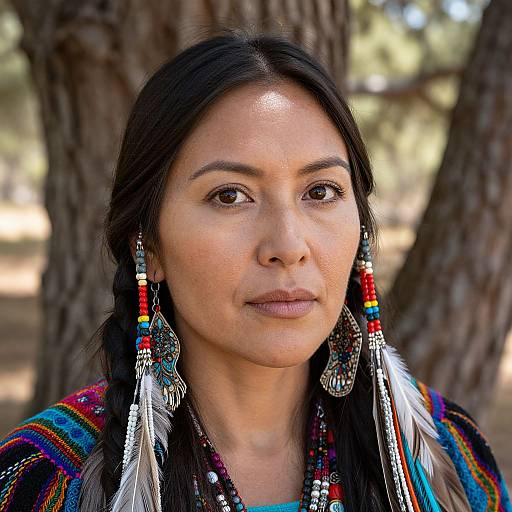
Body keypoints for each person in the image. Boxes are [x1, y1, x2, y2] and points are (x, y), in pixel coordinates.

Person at [0, 29, 510, 512]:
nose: (288, 246)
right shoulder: (41, 481)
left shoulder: (446, 455)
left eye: (321, 192)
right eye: (230, 196)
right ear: (148, 244)